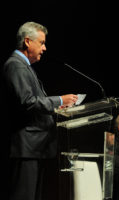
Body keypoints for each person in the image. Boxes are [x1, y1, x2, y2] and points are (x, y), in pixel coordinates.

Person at [0, 22, 78, 200]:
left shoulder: (24, 66)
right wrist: (59, 100)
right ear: (27, 41)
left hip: (36, 147)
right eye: (41, 43)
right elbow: (27, 102)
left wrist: (59, 108)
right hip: (27, 147)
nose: (44, 48)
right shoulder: (16, 65)